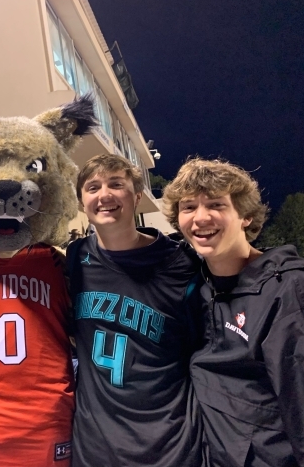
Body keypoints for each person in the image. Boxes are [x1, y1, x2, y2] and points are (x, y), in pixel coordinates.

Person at [163, 157, 304, 466]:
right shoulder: (196, 288)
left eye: (216, 205)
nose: (200, 218)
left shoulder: (287, 291)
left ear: (245, 216)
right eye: (188, 207)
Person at [66, 154, 203, 466]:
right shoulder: (75, 258)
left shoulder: (182, 263)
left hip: (170, 444)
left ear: (138, 196)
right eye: (93, 187)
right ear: (81, 202)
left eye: (117, 184)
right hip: (95, 445)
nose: (105, 195)